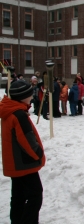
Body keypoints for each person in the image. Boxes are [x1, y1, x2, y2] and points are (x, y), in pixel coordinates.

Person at [0, 81, 46, 223]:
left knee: (18, 196)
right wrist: (39, 154)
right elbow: (27, 141)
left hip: (16, 163)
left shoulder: (9, 110)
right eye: (29, 95)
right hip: (25, 164)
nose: (31, 97)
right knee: (35, 196)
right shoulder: (19, 115)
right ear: (22, 97)